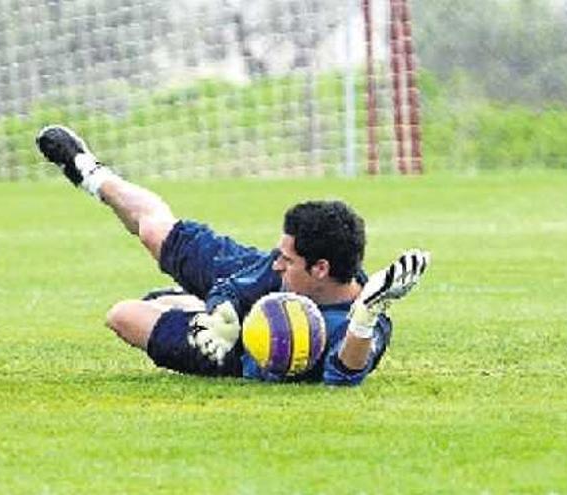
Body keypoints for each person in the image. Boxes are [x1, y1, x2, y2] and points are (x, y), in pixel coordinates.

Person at [35, 125, 430, 386]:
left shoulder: (365, 313)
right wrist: (222, 312)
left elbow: (346, 372)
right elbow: (234, 286)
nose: (278, 263)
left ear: (321, 269)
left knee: (124, 314)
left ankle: (182, 305)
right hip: (233, 301)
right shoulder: (273, 267)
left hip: (233, 352)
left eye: (288, 260)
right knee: (155, 229)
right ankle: (90, 171)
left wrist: (366, 315)